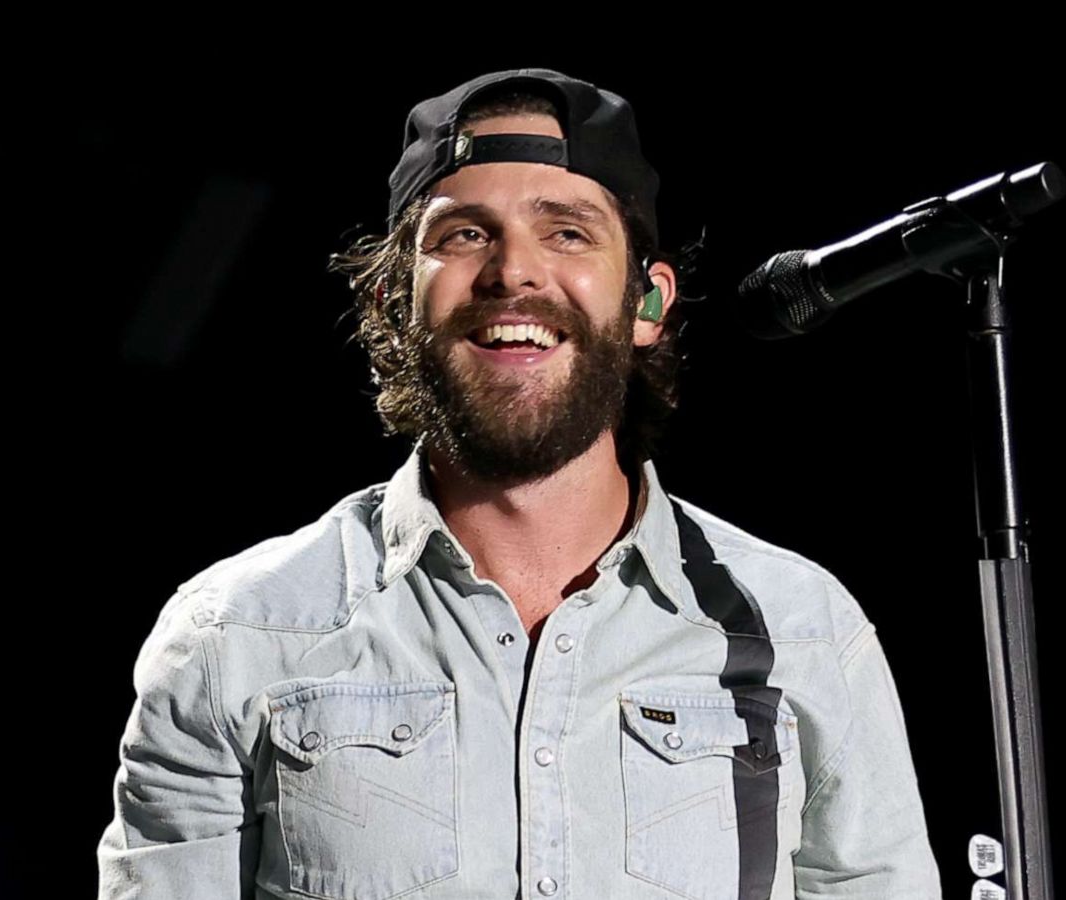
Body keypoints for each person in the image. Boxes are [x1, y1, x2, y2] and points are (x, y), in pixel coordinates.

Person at [96, 68, 942, 899]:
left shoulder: (801, 630)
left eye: (567, 232)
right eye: (464, 234)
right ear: (396, 299)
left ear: (646, 304)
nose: (513, 272)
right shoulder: (236, 634)